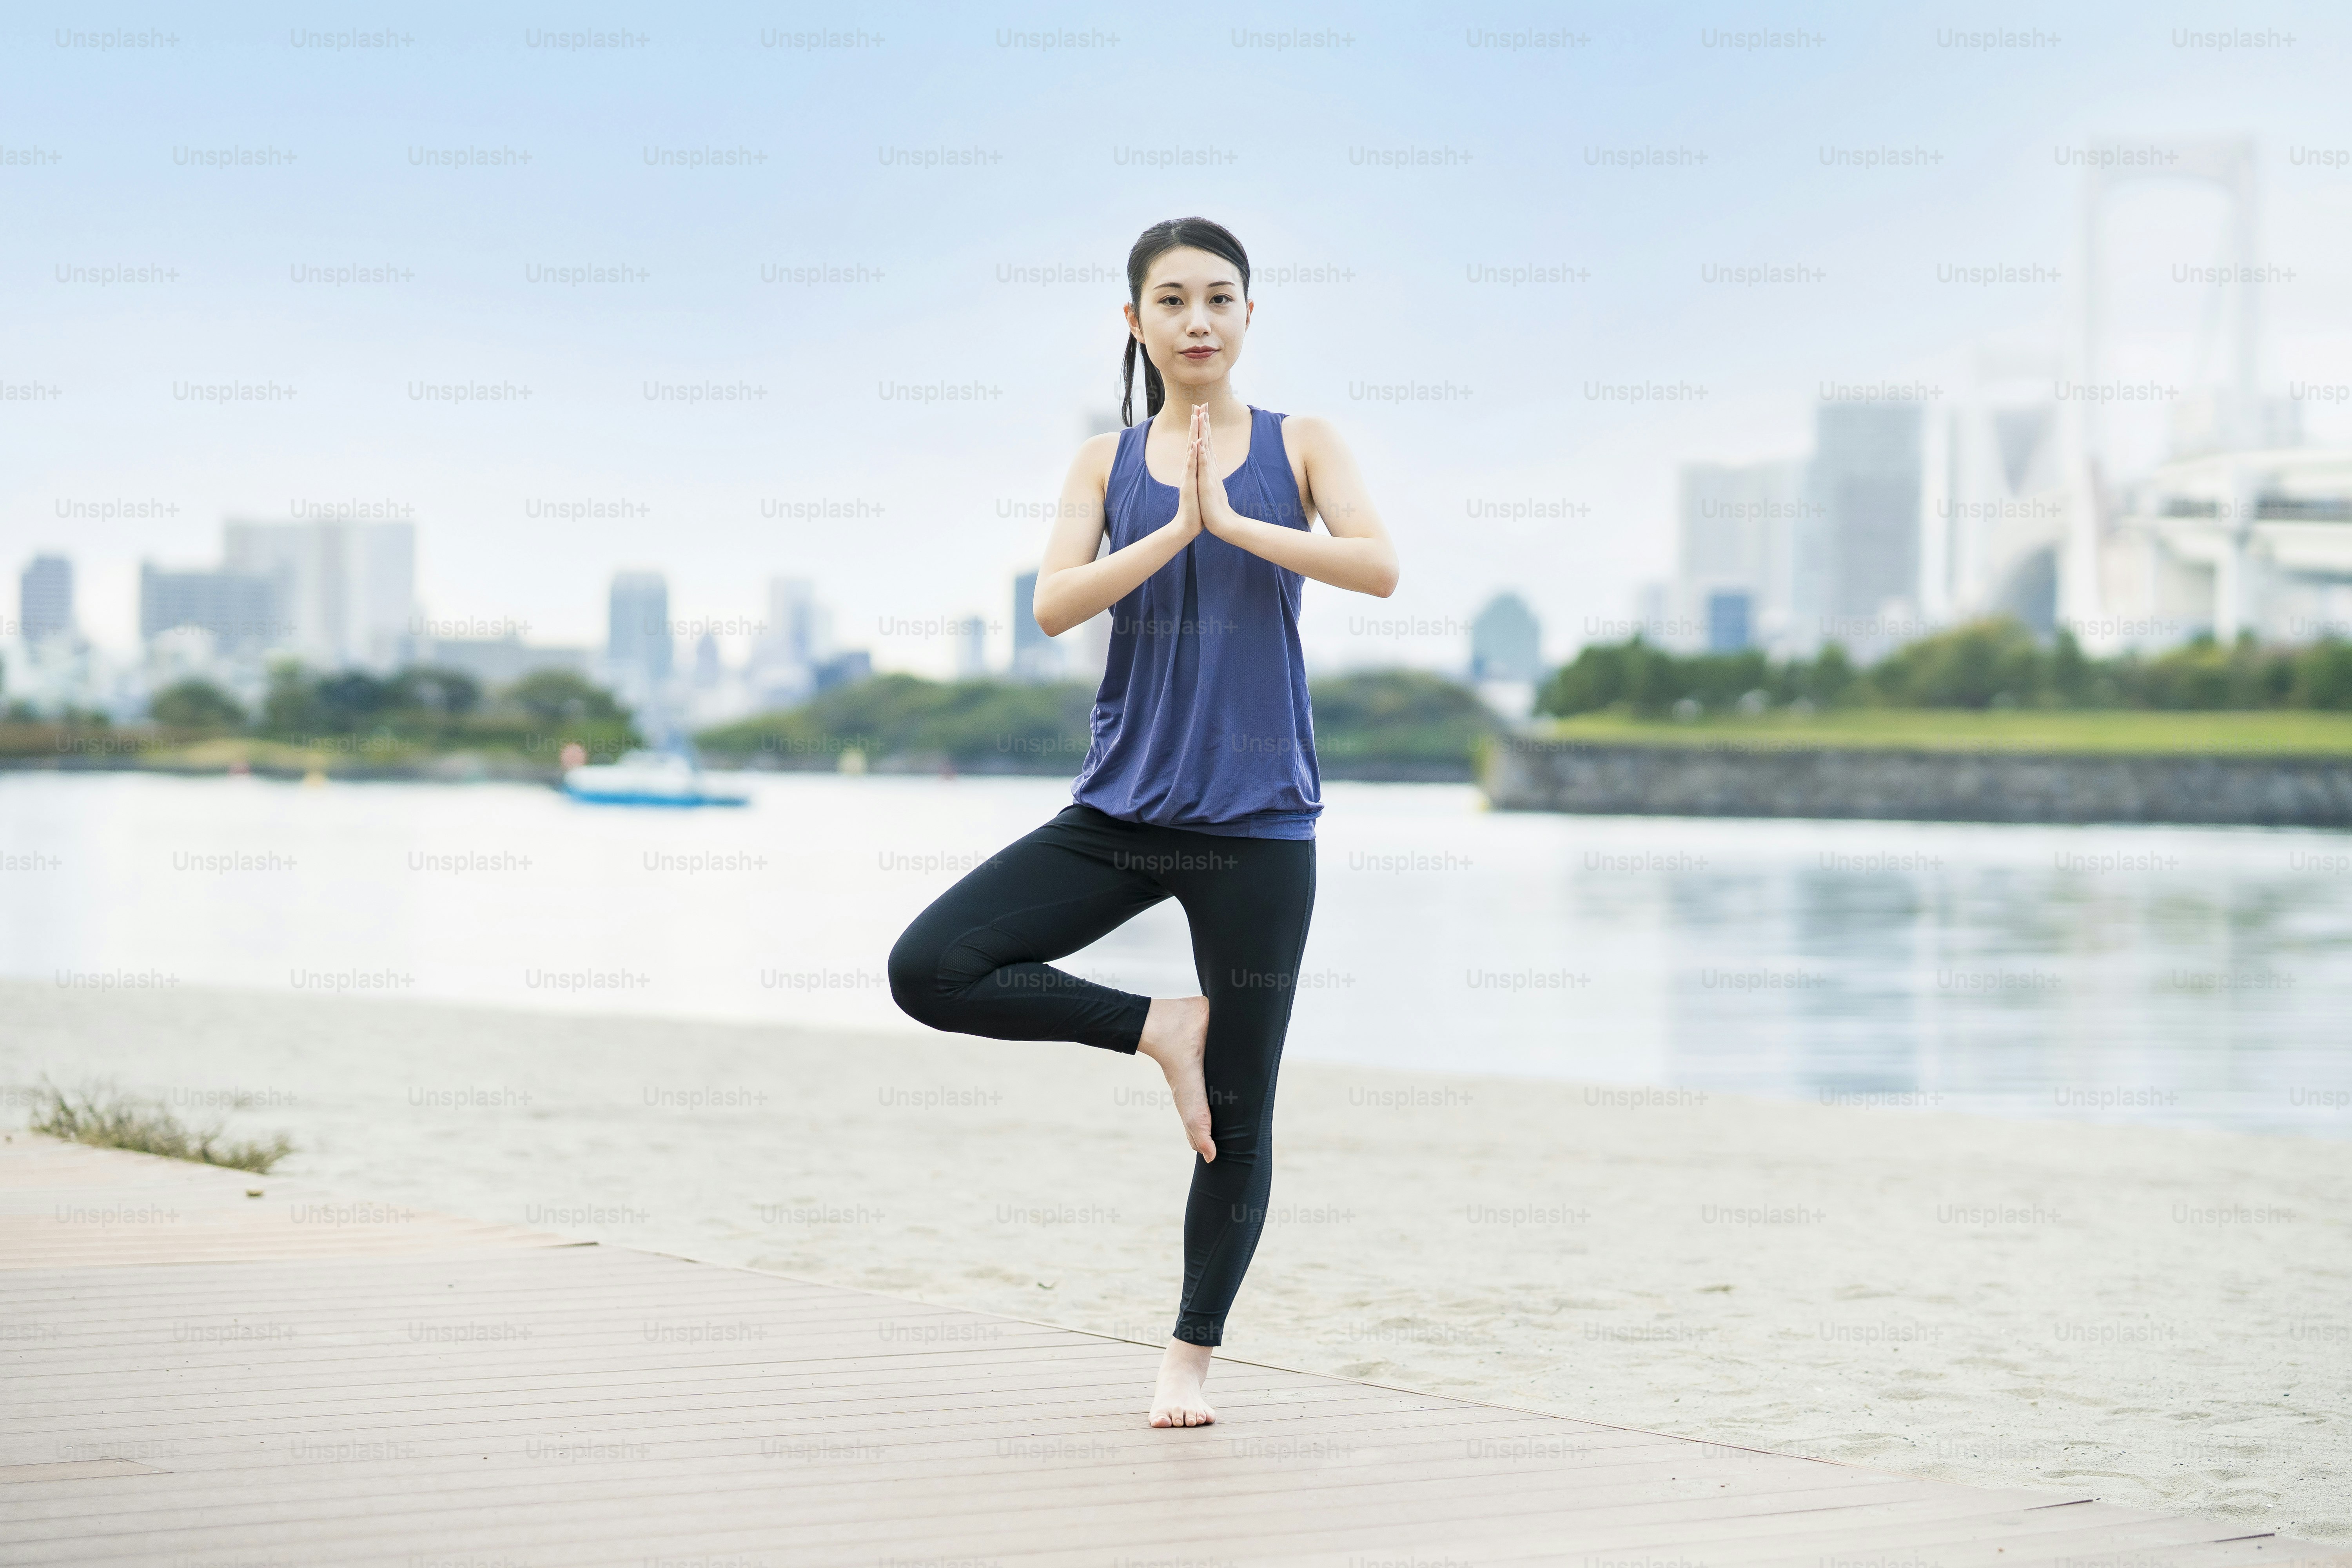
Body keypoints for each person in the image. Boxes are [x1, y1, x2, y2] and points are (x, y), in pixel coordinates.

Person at [888, 216, 1399, 1426]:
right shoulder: (1102, 462)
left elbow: (1379, 565)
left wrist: (1236, 524)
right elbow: (1054, 605)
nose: (1198, 321)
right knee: (932, 967)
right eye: (1172, 301)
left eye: (1220, 298)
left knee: (1238, 1115)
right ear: (1136, 322)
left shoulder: (1304, 443)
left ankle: (1188, 1361)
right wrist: (1172, 529)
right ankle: (1159, 1025)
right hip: (1123, 807)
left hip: (1261, 824)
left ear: (1250, 315)